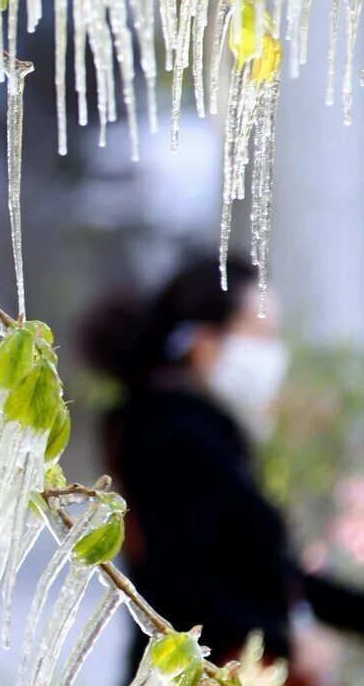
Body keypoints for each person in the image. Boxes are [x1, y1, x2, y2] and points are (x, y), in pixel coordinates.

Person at [80, 254, 364, 685]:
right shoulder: (178, 438)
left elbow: (268, 571)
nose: (274, 355)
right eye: (262, 335)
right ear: (206, 344)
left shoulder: (199, 431)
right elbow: (180, 590)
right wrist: (286, 642)